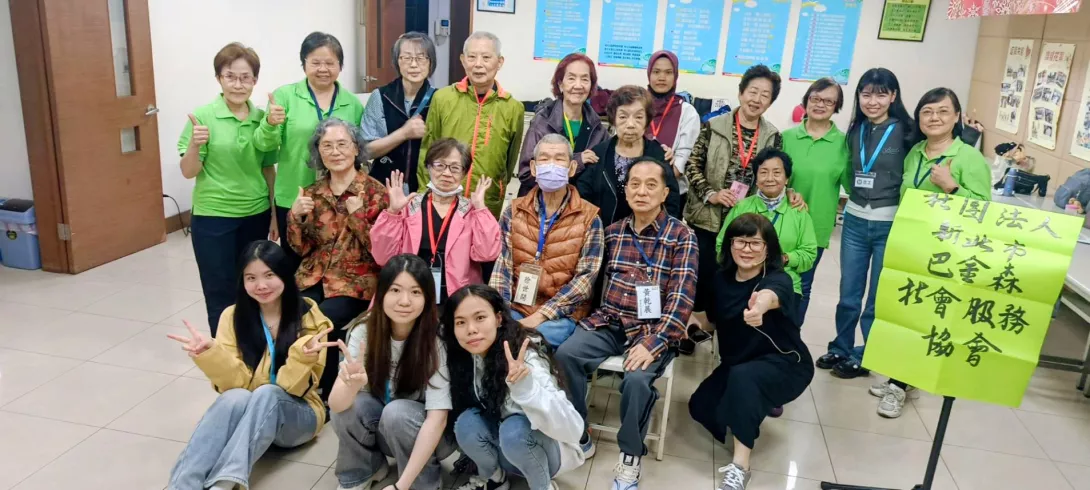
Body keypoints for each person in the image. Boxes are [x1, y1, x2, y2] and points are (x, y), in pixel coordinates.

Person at [556, 158, 698, 490]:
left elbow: (681, 299)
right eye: (634, 184)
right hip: (610, 321)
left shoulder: (682, 236)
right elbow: (592, 283)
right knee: (565, 355)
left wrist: (655, 343)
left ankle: (630, 454)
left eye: (651, 185)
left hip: (652, 330)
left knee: (636, 380)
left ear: (665, 193)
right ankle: (579, 431)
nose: (641, 191)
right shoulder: (613, 232)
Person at [166, 241, 335, 490]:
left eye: (269, 275)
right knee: (233, 398)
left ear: (285, 275)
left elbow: (295, 390)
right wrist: (211, 354)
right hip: (251, 414)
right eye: (251, 278)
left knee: (269, 393)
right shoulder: (232, 316)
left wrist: (301, 358)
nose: (261, 285)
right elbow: (236, 386)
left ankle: (223, 484)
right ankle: (182, 485)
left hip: (298, 415)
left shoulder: (308, 314)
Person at [870, 87, 993, 419]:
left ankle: (900, 385)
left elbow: (985, 210)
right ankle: (901, 377)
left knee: (925, 317)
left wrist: (952, 186)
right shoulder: (916, 152)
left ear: (957, 117)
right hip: (910, 245)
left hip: (944, 253)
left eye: (942, 111)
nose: (934, 118)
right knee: (905, 314)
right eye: (927, 111)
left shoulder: (969, 158)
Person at [690, 213, 814, 490]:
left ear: (768, 249)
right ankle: (752, 406)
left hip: (786, 363)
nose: (747, 249)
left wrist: (759, 307)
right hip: (738, 361)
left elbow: (771, 296)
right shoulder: (720, 280)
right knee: (701, 406)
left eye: (756, 243)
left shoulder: (778, 279)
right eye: (740, 242)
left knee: (745, 381)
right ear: (730, 245)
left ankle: (740, 467)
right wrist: (689, 320)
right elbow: (712, 321)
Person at [816, 68, 915, 380]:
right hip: (855, 221)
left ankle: (867, 354)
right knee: (849, 292)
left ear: (893, 96)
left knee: (876, 296)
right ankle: (841, 347)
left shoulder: (907, 131)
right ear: (858, 97)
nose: (873, 101)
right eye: (866, 94)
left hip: (889, 223)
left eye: (881, 94)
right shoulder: (856, 129)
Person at [680, 64, 784, 356]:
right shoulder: (713, 126)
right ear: (741, 92)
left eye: (765, 95)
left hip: (745, 224)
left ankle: (724, 332)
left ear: (770, 102)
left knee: (733, 281)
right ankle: (689, 330)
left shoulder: (773, 136)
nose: (756, 99)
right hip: (707, 217)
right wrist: (711, 193)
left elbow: (773, 175)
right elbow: (692, 165)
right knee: (701, 277)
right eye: (753, 91)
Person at [328, 255, 455, 490]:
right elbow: (336, 407)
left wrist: (400, 486)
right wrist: (350, 386)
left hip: (430, 432)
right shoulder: (364, 329)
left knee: (396, 413)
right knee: (350, 404)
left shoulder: (437, 339)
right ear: (381, 293)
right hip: (384, 424)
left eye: (415, 292)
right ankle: (364, 470)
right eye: (395, 290)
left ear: (428, 298)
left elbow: (438, 419)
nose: (404, 301)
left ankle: (424, 482)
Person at [179, 43, 278, 336]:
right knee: (219, 291)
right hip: (213, 217)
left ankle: (254, 347)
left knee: (255, 287)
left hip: (256, 213)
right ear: (219, 79)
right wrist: (195, 145)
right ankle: (224, 352)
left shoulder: (262, 118)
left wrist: (274, 213)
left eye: (245, 77)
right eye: (230, 77)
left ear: (255, 80)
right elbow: (188, 171)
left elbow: (268, 169)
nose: (238, 84)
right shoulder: (203, 117)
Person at [444, 285, 586, 490]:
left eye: (480, 318)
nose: (471, 329)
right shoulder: (464, 356)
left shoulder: (525, 357)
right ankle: (495, 480)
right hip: (505, 447)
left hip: (544, 450)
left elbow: (574, 429)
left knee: (514, 430)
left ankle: (543, 486)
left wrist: (527, 389)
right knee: (466, 423)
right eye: (460, 322)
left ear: (498, 319)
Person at [289, 118, 389, 399]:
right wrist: (295, 217)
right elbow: (300, 248)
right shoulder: (312, 193)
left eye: (342, 144)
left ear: (356, 149)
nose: (335, 152)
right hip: (313, 276)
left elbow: (381, 251)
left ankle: (329, 391)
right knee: (290, 312)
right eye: (327, 146)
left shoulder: (376, 193)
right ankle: (296, 382)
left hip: (355, 281)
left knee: (323, 320)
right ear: (318, 152)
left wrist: (357, 216)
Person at [258, 32, 365, 269]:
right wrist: (270, 124)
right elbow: (265, 146)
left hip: (339, 199)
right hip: (295, 196)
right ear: (304, 63)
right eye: (315, 62)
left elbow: (359, 153)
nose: (323, 69)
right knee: (294, 265)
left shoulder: (353, 103)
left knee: (335, 264)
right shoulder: (285, 97)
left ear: (340, 66)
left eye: (330, 63)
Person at [492, 133, 605, 347]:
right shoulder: (513, 211)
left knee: (531, 341)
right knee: (498, 334)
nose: (551, 165)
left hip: (561, 316)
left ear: (572, 168)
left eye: (559, 159)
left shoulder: (590, 218)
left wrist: (540, 316)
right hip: (516, 308)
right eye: (544, 159)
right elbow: (501, 269)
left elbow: (585, 281)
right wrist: (502, 314)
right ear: (533, 168)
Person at [370, 139, 502, 304]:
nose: (447, 173)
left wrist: (481, 208)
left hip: (458, 299)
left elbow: (487, 253)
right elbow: (382, 257)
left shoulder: (471, 211)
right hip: (408, 295)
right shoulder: (409, 206)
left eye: (455, 168)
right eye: (440, 165)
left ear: (464, 173)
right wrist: (392, 212)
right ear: (428, 167)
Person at [418, 31, 524, 217]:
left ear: (499, 62)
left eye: (486, 57)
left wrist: (499, 186)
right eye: (472, 57)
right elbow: (428, 150)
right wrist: (424, 192)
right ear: (463, 60)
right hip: (443, 195)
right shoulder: (442, 98)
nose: (478, 64)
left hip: (487, 198)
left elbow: (509, 162)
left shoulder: (513, 108)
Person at [716, 149, 817, 322]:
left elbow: (809, 254)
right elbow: (721, 245)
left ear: (787, 178)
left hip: (784, 284)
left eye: (777, 173)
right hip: (741, 280)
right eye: (763, 172)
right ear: (756, 178)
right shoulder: (742, 207)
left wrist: (783, 258)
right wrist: (744, 263)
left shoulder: (799, 213)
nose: (770, 178)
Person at [781, 78, 850, 325]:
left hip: (816, 226)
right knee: (774, 278)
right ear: (807, 100)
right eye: (816, 98)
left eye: (828, 101)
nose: (820, 105)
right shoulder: (786, 137)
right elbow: (773, 178)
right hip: (782, 221)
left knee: (803, 285)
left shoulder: (844, 144)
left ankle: (791, 338)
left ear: (837, 106)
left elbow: (851, 185)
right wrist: (787, 190)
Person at [575, 85, 682, 226]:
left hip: (650, 235)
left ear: (647, 121)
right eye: (623, 117)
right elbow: (583, 199)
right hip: (603, 233)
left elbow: (671, 202)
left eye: (638, 117)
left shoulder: (659, 156)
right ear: (613, 119)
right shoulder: (598, 155)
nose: (630, 124)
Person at [517, 53, 608, 196]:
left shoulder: (598, 128)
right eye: (571, 78)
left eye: (585, 79)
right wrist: (578, 161)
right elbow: (526, 173)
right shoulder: (542, 122)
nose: (578, 85)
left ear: (591, 86)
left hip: (580, 204)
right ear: (560, 84)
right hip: (541, 202)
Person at [362, 32, 438, 193]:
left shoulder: (439, 99)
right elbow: (365, 151)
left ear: (431, 62)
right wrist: (403, 133)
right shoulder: (380, 96)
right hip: (382, 188)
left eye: (421, 58)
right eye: (407, 58)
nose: (414, 64)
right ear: (397, 61)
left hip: (425, 189)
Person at [645, 50, 700, 200]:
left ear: (675, 76)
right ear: (649, 74)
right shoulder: (637, 106)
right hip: (636, 189)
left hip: (671, 193)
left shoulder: (687, 112)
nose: (662, 77)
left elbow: (684, 157)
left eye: (668, 72)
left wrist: (654, 182)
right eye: (656, 72)